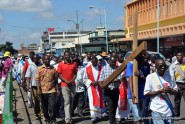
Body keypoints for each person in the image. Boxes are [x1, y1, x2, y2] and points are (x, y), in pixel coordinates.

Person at [144, 59, 178, 124]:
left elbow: (176, 90)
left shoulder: (170, 76)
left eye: (164, 66)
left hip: (168, 110)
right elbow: (146, 93)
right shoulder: (150, 77)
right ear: (155, 67)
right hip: (156, 110)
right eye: (160, 66)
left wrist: (170, 90)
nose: (163, 67)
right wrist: (160, 91)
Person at [126, 50, 150, 124]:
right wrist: (132, 93)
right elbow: (130, 79)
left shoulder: (146, 65)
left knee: (141, 116)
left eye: (145, 57)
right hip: (133, 95)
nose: (144, 59)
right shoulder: (131, 64)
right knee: (137, 117)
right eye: (142, 57)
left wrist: (141, 75)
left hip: (143, 94)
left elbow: (148, 79)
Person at [35, 55, 59, 124]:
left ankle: (53, 119)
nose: (47, 61)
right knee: (44, 107)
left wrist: (57, 89)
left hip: (52, 90)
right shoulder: (40, 69)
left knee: (52, 106)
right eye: (46, 59)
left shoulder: (53, 69)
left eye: (48, 59)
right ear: (43, 60)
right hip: (43, 90)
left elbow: (56, 80)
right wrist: (38, 89)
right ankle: (47, 118)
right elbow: (37, 80)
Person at [99, 56, 122, 124]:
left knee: (115, 106)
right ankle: (112, 122)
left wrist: (112, 80)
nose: (113, 63)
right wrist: (101, 85)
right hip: (108, 90)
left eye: (114, 62)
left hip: (115, 90)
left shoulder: (117, 68)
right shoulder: (104, 68)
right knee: (111, 106)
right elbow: (101, 79)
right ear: (109, 61)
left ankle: (113, 119)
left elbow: (120, 78)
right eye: (112, 62)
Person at [57, 51, 77, 124]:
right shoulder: (61, 64)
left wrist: (71, 80)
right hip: (64, 85)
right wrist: (66, 81)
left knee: (71, 101)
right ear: (64, 56)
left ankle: (70, 117)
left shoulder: (74, 63)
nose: (68, 57)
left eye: (69, 55)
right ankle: (67, 119)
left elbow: (75, 74)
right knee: (67, 101)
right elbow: (59, 74)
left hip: (72, 85)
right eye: (66, 56)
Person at [83, 56, 104, 123]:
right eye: (93, 62)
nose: (94, 63)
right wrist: (91, 82)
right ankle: (93, 117)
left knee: (99, 101)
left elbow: (103, 77)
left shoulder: (101, 68)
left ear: (97, 61)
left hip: (99, 87)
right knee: (92, 102)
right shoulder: (87, 68)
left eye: (95, 62)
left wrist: (98, 82)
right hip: (91, 88)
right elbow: (84, 79)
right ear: (91, 61)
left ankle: (98, 115)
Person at [169, 52, 185, 117]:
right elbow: (172, 77)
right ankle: (177, 114)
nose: (180, 56)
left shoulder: (184, 65)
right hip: (178, 84)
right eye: (178, 55)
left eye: (181, 55)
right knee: (177, 101)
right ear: (176, 56)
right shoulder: (173, 65)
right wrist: (174, 86)